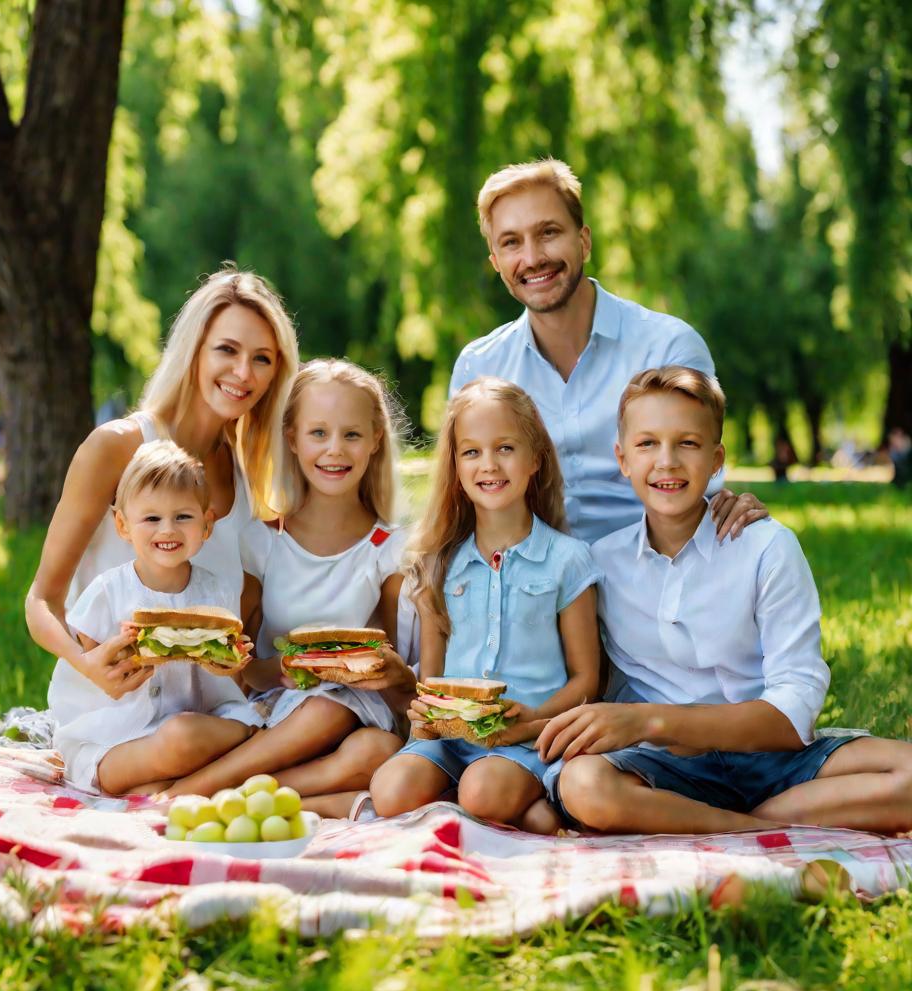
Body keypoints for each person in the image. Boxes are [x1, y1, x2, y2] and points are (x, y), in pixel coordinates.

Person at [538, 366, 912, 835]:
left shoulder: (766, 547)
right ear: (623, 458)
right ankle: (755, 829)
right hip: (667, 769)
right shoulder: (601, 564)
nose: (667, 461)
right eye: (647, 443)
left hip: (775, 760)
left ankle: (729, 825)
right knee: (584, 785)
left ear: (717, 460)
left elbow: (793, 714)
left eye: (688, 444)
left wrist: (649, 721)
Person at [450, 158, 765, 543]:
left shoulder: (668, 347)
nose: (532, 258)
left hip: (652, 574)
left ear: (584, 241)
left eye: (548, 232)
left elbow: (702, 481)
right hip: (536, 587)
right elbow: (461, 505)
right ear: (496, 262)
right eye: (512, 242)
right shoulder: (479, 367)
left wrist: (732, 505)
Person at [26, 267, 299, 700]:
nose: (243, 372)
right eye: (227, 350)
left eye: (262, 358)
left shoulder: (252, 479)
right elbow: (41, 600)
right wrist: (88, 666)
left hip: (211, 715)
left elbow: (240, 632)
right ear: (193, 351)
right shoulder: (116, 447)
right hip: (119, 707)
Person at [160, 360, 412, 814]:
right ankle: (302, 798)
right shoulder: (263, 540)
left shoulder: (389, 548)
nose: (335, 450)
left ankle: (210, 794)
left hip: (353, 710)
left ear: (376, 440)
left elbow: (399, 672)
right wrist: (284, 668)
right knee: (334, 728)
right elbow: (243, 666)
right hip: (277, 714)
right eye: (318, 433)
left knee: (375, 748)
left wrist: (387, 672)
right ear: (292, 439)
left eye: (351, 435)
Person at [370, 378, 602, 826]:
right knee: (390, 791)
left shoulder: (568, 560)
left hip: (525, 738)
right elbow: (433, 678)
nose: (489, 464)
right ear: (455, 467)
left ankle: (517, 796)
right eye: (471, 452)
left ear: (535, 458)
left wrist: (532, 720)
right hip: (449, 738)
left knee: (483, 792)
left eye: (505, 448)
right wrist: (423, 709)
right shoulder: (439, 563)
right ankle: (524, 812)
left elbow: (586, 679)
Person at [49, 441, 264, 794]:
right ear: (123, 525)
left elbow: (229, 669)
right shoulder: (110, 590)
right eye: (151, 518)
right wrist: (121, 655)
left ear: (206, 525)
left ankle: (235, 743)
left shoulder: (216, 592)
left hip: (197, 723)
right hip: (118, 736)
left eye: (183, 517)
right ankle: (192, 780)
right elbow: (88, 662)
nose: (167, 530)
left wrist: (228, 660)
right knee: (171, 745)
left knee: (183, 733)